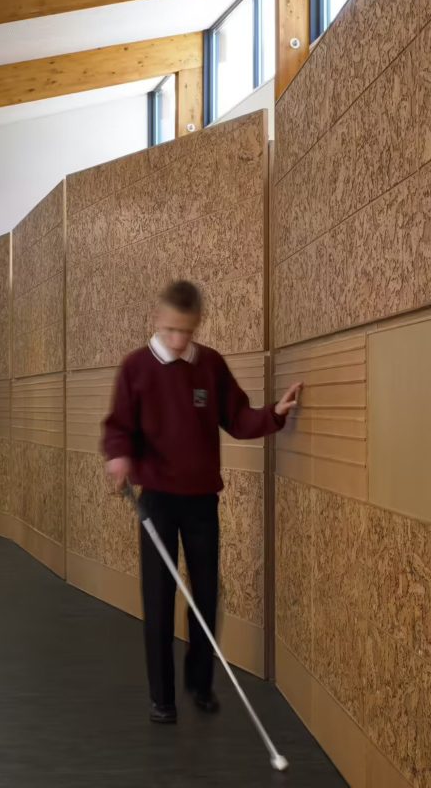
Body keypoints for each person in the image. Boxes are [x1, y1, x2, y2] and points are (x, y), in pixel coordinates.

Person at [102, 280, 301, 725]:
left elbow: (237, 416)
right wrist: (119, 457)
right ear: (157, 319)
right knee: (158, 597)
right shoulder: (136, 367)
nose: (179, 340)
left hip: (201, 502)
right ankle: (163, 698)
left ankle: (200, 682)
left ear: (197, 325)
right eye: (172, 329)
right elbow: (119, 426)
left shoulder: (209, 365)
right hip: (156, 499)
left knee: (206, 596)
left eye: (187, 331)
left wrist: (274, 414)